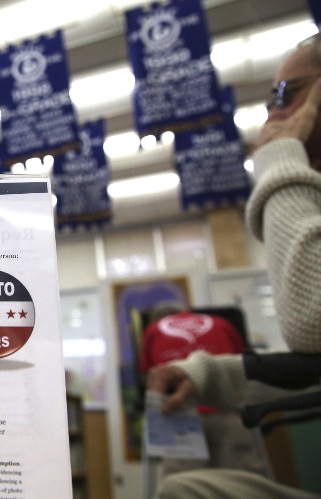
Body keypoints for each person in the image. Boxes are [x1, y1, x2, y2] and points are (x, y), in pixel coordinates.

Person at [147, 33, 321, 498]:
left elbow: (312, 323)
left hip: (193, 423)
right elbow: (314, 365)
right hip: (216, 415)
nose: (271, 116)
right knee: (188, 489)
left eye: (284, 95)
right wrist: (206, 374)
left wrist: (280, 159)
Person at [139, 304, 269, 478]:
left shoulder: (153, 330)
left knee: (186, 485)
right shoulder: (222, 323)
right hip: (229, 410)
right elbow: (243, 366)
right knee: (241, 481)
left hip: (179, 414)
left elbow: (150, 376)